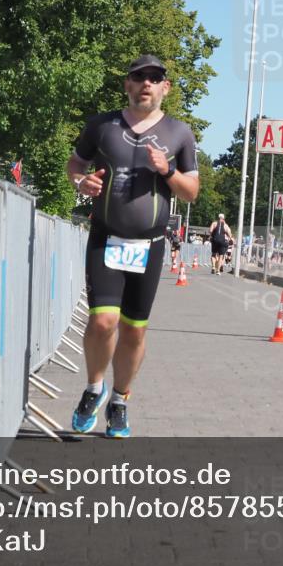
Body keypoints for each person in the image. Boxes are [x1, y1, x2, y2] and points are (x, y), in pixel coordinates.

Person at [65, 55, 199, 438]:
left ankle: (120, 400)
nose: (146, 83)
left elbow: (191, 192)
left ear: (165, 88)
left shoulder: (179, 133)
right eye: (139, 77)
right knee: (102, 321)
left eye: (154, 78)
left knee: (134, 330)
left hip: (149, 245)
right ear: (127, 84)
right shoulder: (102, 126)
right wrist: (81, 182)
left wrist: (167, 170)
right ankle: (94, 388)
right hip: (106, 237)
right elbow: (75, 165)